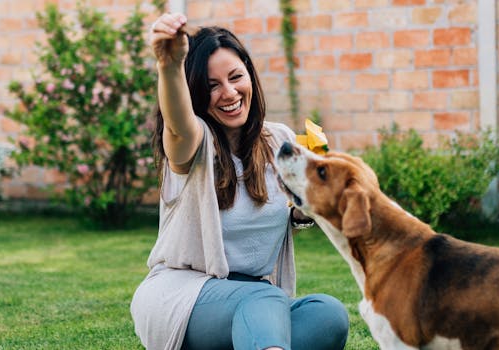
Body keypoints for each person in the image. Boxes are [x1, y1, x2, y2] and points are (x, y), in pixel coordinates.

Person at [129, 13, 350, 350]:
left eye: (236, 77)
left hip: (251, 302)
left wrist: (309, 206)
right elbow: (176, 125)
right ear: (196, 94)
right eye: (212, 85)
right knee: (264, 297)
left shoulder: (279, 141)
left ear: (250, 76)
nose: (229, 92)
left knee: (327, 314)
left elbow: (297, 207)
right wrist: (169, 65)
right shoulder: (195, 144)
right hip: (181, 299)